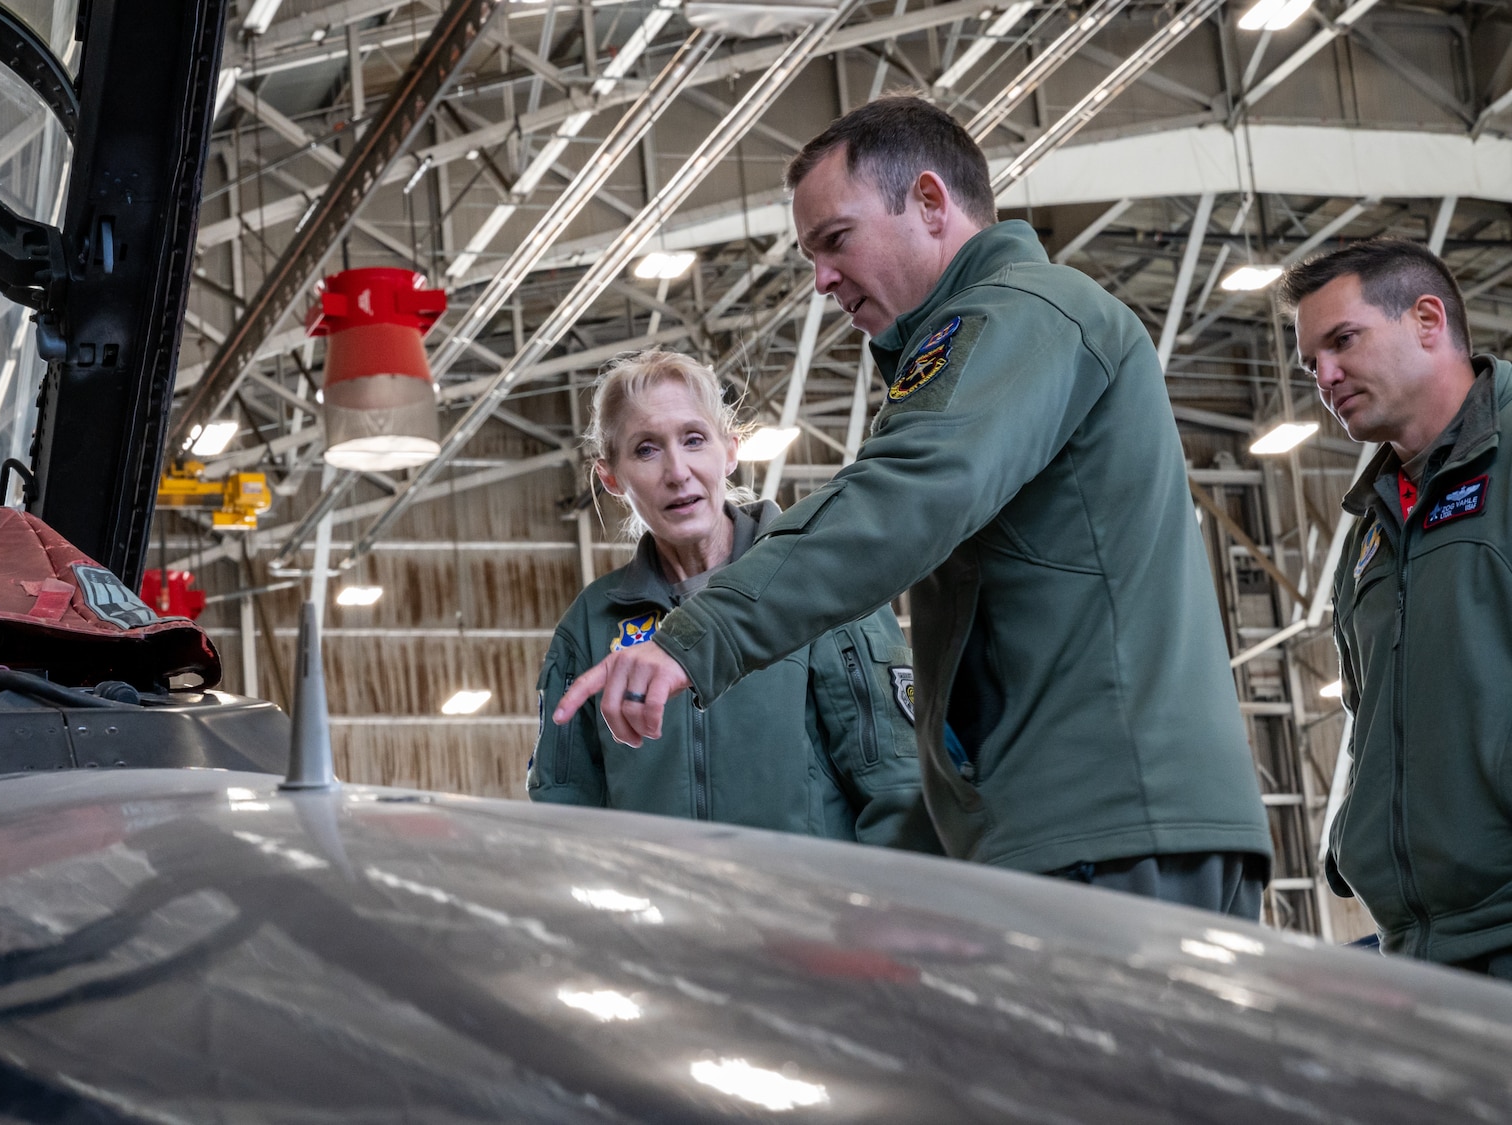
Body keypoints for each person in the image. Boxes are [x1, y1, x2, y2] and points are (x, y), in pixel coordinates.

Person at [552, 96, 1273, 915]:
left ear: (930, 204)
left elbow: (907, 493)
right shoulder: (999, 336)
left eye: (835, 240)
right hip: (1065, 830)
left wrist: (699, 633)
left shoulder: (1022, 315)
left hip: (1108, 832)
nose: (821, 279)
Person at [530, 351, 938, 849]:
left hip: (805, 916)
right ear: (610, 477)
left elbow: (897, 788)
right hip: (666, 919)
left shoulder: (819, 589)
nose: (677, 472)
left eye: (694, 440)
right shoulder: (591, 627)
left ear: (730, 450)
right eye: (645, 450)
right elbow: (564, 819)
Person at [1285, 239, 1512, 977]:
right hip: (1420, 950)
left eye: (1342, 340)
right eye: (1310, 361)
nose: (1323, 375)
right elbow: (1364, 716)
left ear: (1426, 320)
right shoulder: (1370, 531)